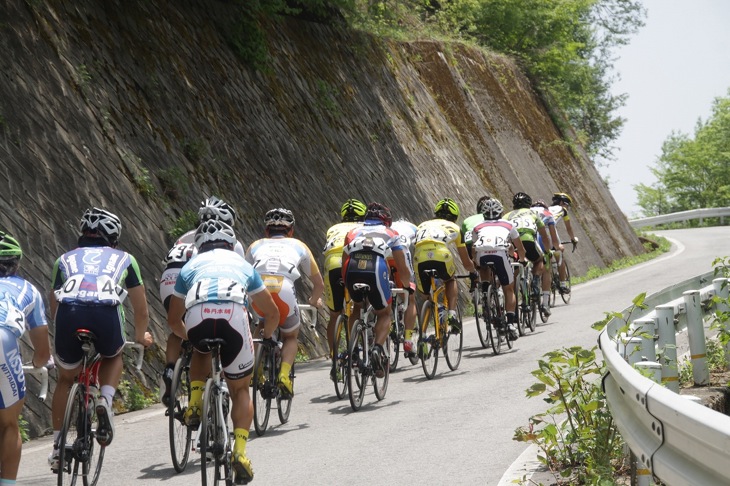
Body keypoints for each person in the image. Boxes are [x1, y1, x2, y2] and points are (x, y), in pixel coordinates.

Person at [167, 219, 279, 483]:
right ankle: (239, 453)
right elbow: (271, 311)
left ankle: (194, 405)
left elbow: (173, 321)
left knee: (201, 350)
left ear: (199, 246)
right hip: (233, 317)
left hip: (198, 316)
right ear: (231, 245)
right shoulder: (243, 266)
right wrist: (267, 334)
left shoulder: (189, 267)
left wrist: (190, 338)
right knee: (240, 389)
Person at [49, 208, 153, 469]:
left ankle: (58, 447)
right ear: (114, 238)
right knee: (113, 354)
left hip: (69, 314)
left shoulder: (63, 260)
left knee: (65, 379)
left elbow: (54, 306)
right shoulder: (126, 259)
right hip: (105, 313)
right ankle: (105, 400)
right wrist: (141, 336)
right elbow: (141, 310)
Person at [159, 196, 245, 406]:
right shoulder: (229, 241)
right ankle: (220, 378)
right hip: (196, 282)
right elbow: (238, 275)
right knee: (209, 335)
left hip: (168, 279)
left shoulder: (183, 237)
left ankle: (170, 368)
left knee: (176, 328)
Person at [245, 208, 324, 398]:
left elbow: (244, 274)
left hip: (258, 289)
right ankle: (283, 375)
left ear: (266, 231)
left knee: (262, 323)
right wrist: (314, 300)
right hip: (284, 290)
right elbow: (318, 283)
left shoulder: (255, 245)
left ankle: (254, 369)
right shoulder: (300, 246)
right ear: (291, 231)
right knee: (290, 337)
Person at [0, 231, 51, 484]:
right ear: (16, 264)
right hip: (2, 341)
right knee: (8, 423)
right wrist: (38, 365)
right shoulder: (27, 289)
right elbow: (42, 352)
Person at [342, 203, 411, 378]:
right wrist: (405, 285)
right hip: (376, 267)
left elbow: (344, 258)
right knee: (385, 313)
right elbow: (402, 267)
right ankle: (378, 348)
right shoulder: (391, 233)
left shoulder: (352, 232)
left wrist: (345, 283)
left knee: (357, 308)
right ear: (386, 221)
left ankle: (354, 348)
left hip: (352, 268)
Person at [413, 198, 478, 334]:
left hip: (420, 257)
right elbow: (466, 262)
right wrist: (473, 271)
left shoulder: (421, 225)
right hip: (441, 255)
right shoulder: (455, 228)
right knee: (450, 280)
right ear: (454, 217)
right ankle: (451, 314)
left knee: (426, 294)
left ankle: (424, 332)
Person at [471, 198, 527, 340]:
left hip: (482, 254)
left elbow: (474, 247)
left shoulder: (477, 226)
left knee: (483, 267)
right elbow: (520, 248)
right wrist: (521, 260)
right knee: (508, 288)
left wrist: (475, 263)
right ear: (501, 212)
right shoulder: (508, 225)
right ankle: (509, 323)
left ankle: (485, 293)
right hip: (500, 254)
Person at [322, 199, 366, 378]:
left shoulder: (332, 229)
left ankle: (334, 358)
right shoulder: (364, 227)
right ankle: (355, 347)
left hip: (332, 264)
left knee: (334, 314)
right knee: (359, 305)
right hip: (354, 263)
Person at [504, 192, 551, 322]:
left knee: (515, 269)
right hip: (529, 240)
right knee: (539, 260)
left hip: (512, 243)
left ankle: (512, 300)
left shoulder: (507, 215)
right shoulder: (533, 213)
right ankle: (536, 281)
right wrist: (547, 251)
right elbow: (544, 235)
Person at [389, 218, 419, 355]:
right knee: (410, 296)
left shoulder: (386, 226)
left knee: (386, 291)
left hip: (383, 254)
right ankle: (408, 340)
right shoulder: (413, 227)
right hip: (400, 252)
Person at [531, 199, 561, 316]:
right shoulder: (548, 214)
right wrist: (556, 248)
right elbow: (553, 237)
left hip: (526, 239)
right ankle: (545, 304)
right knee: (546, 269)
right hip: (540, 240)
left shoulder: (528, 212)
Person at [549, 192, 579, 294]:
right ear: (561, 202)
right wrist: (573, 239)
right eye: (566, 204)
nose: (567, 207)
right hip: (550, 233)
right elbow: (568, 227)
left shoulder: (545, 209)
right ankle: (562, 285)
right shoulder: (563, 210)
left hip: (538, 233)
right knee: (559, 253)